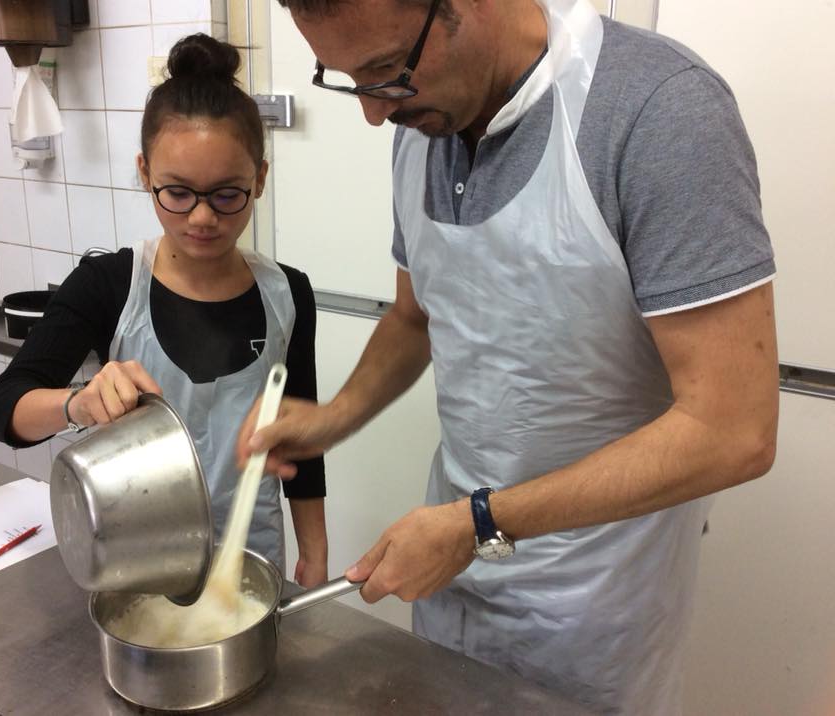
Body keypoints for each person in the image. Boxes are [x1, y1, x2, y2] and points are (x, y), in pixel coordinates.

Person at [237, 0, 779, 711]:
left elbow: (733, 429)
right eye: (350, 81)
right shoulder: (421, 125)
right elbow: (416, 313)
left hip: (594, 602)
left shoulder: (657, 111)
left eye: (387, 73)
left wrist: (481, 521)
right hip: (451, 563)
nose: (373, 114)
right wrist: (335, 418)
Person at [0, 34, 328, 588]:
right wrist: (79, 402)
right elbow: (1, 410)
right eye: (178, 192)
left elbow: (299, 438)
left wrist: (315, 550)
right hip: (136, 566)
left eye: (227, 193)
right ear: (145, 173)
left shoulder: (289, 293)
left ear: (259, 179)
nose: (202, 218)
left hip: (252, 563)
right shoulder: (109, 285)